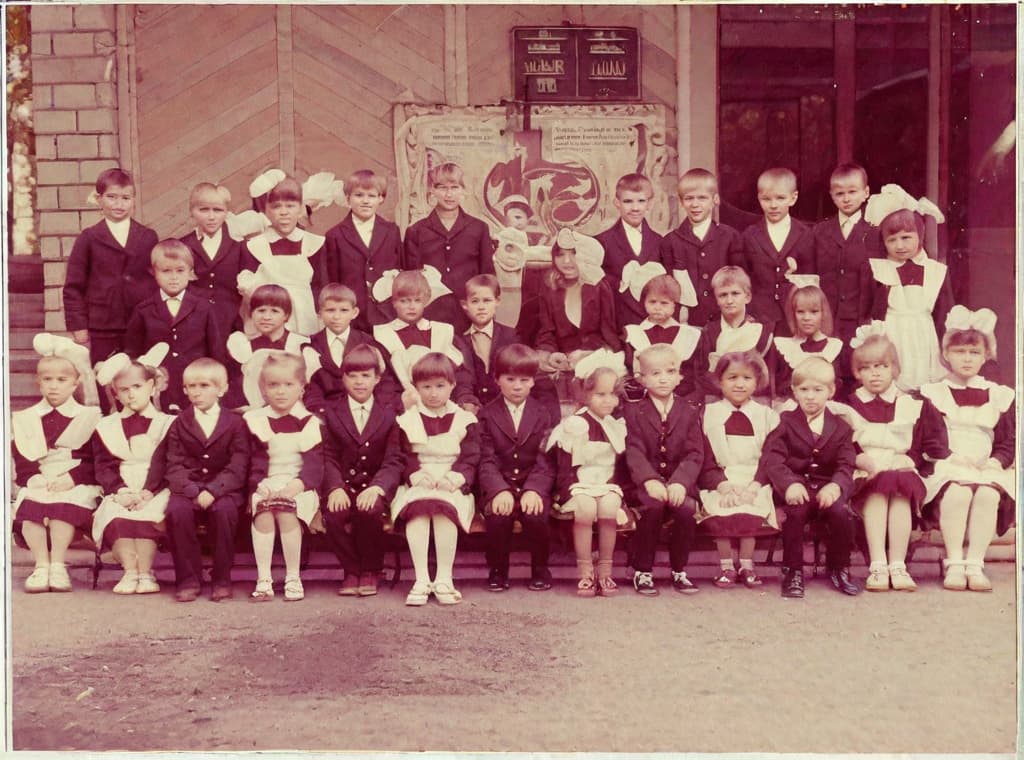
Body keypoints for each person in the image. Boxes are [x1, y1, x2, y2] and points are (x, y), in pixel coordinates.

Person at [844, 326, 948, 592]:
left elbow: (934, 442)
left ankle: (898, 565)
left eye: (881, 365)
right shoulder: (850, 404)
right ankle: (878, 564)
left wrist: (913, 460)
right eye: (866, 367)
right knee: (878, 491)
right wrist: (859, 459)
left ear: (894, 368)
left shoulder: (913, 404)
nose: (875, 373)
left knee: (899, 487)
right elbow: (843, 443)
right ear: (857, 372)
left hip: (902, 467)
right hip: (867, 471)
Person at [920, 307, 1014, 592]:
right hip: (948, 463)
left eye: (974, 352)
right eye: (960, 351)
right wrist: (954, 459)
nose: (967, 359)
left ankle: (975, 562)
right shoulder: (934, 393)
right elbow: (930, 440)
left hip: (986, 465)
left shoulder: (999, 394)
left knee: (987, 493)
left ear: (986, 355)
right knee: (958, 492)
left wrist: (996, 462)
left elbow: (1007, 441)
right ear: (947, 354)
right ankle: (954, 561)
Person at [761, 357, 860, 598]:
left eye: (818, 390)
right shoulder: (785, 423)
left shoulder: (841, 427)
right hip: (797, 488)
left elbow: (846, 463)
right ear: (794, 392)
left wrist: (836, 486)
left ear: (831, 391)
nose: (811, 396)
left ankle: (839, 568)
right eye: (803, 390)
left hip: (827, 488)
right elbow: (772, 459)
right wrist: (789, 484)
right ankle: (793, 571)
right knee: (795, 514)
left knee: (840, 513)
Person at [11, 335, 102, 593]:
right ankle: (41, 565)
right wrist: (32, 478)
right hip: (41, 477)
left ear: (76, 383)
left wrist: (72, 479)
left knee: (63, 508)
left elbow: (95, 459)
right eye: (47, 380)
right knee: (32, 506)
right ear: (38, 383)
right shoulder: (27, 418)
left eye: (62, 380)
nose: (54, 386)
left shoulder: (88, 417)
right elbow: (22, 455)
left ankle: (58, 564)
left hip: (75, 480)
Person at [63, 168, 159, 410]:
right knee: (105, 378)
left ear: (133, 200)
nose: (119, 204)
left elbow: (157, 277)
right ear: (99, 199)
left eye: (126, 198)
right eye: (112, 197)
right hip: (103, 323)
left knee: (139, 376)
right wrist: (79, 326)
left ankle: (142, 424)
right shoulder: (89, 238)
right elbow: (73, 286)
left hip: (139, 321)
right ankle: (110, 426)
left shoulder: (147, 236)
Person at [390, 353, 481, 606]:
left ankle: (444, 578)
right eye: (425, 387)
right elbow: (403, 455)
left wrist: (456, 477)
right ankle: (421, 579)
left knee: (443, 511)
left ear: (452, 385)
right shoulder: (407, 420)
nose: (433, 393)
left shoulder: (465, 419)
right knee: (419, 511)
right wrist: (415, 475)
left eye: (440, 386)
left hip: (452, 482)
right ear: (416, 388)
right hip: (419, 481)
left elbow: (472, 456)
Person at [321, 344, 405, 597]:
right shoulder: (331, 412)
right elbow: (328, 455)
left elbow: (394, 459)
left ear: (377, 378)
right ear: (343, 378)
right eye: (352, 376)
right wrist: (335, 487)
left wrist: (378, 487)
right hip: (344, 484)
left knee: (370, 510)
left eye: (366, 376)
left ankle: (371, 568)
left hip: (375, 483)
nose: (359, 382)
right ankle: (351, 569)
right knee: (334, 514)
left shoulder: (390, 413)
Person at [163, 358, 250, 602]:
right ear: (183, 389)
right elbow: (174, 464)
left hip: (223, 489)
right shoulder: (179, 422)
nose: (197, 392)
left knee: (225, 512)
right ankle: (189, 578)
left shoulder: (235, 422)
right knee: (177, 512)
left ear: (221, 389)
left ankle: (222, 577)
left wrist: (214, 489)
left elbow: (238, 463)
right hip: (188, 488)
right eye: (191, 386)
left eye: (204, 386)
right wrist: (191, 490)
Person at [91, 352, 175, 594]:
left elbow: (168, 462)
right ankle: (131, 571)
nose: (131, 394)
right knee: (117, 514)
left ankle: (146, 571)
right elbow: (104, 465)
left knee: (150, 514)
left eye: (137, 386)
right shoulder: (107, 426)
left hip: (156, 487)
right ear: (115, 393)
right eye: (123, 389)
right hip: (123, 486)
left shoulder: (167, 423)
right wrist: (121, 491)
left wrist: (149, 491)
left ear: (152, 386)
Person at [547, 351, 630, 597]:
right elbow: (565, 467)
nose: (608, 401)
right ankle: (585, 572)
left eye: (613, 395)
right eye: (600, 395)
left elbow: (619, 467)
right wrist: (566, 493)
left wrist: (617, 490)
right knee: (585, 510)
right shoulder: (577, 424)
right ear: (585, 394)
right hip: (578, 484)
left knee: (608, 509)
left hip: (606, 484)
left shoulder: (615, 425)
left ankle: (605, 572)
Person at [623, 344, 703, 596]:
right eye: (655, 373)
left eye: (670, 371)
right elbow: (633, 451)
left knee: (686, 509)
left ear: (680, 376)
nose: (664, 378)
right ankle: (642, 570)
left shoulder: (689, 411)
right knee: (652, 507)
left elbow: (694, 453)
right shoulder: (633, 412)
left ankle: (679, 569)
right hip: (646, 486)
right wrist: (649, 480)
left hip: (678, 484)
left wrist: (680, 482)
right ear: (642, 378)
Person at [477, 344, 557, 592]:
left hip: (532, 482)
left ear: (533, 382)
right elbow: (485, 459)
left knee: (536, 514)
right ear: (497, 380)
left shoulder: (543, 413)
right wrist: (499, 489)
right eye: (510, 379)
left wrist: (534, 489)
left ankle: (540, 568)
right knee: (499, 515)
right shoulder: (486, 414)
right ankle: (498, 569)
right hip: (500, 483)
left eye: (524, 380)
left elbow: (546, 459)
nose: (517, 386)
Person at [244, 352, 324, 602]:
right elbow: (254, 460)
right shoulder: (255, 420)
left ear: (301, 388)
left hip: (299, 486)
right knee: (265, 511)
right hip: (267, 483)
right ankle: (264, 577)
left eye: (288, 385)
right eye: (273, 385)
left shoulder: (310, 422)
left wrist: (294, 487)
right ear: (263, 389)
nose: (281, 391)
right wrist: (259, 485)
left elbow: (314, 464)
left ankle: (293, 576)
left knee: (287, 510)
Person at [697, 351, 780, 589]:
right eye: (732, 377)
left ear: (757, 382)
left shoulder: (767, 416)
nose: (739, 384)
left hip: (755, 480)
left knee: (747, 512)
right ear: (720, 381)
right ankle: (726, 566)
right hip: (720, 479)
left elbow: (771, 457)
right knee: (722, 510)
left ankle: (746, 564)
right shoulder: (707, 414)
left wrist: (754, 487)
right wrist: (723, 486)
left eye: (746, 378)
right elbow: (704, 456)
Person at [865, 185, 954, 391]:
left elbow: (943, 314)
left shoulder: (935, 271)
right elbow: (874, 310)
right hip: (893, 333)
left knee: (926, 381)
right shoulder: (880, 270)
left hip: (925, 333)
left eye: (906, 238)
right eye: (892, 240)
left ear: (920, 236)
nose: (900, 245)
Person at [124, 240, 226, 414]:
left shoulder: (204, 307)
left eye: (180, 271)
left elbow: (216, 352)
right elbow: (134, 353)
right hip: (158, 388)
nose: (174, 277)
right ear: (154, 273)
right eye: (166, 271)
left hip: (196, 386)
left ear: (190, 273)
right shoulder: (143, 310)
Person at [404, 162, 494, 330]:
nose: (449, 194)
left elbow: (487, 276)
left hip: (469, 312)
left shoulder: (479, 228)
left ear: (464, 190)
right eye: (442, 187)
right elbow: (411, 280)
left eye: (455, 187)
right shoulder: (416, 231)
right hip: (429, 314)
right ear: (432, 190)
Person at [238, 175, 327, 337]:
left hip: (305, 319)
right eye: (276, 207)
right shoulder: (254, 246)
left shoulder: (314, 244)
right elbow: (247, 285)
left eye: (290, 206)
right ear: (266, 210)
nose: (284, 212)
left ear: (300, 208)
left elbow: (320, 287)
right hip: (267, 320)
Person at [371, 269, 472, 412]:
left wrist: (465, 397)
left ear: (425, 301)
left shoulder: (441, 331)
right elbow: (384, 384)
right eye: (404, 301)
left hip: (445, 404)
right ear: (394, 302)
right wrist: (400, 403)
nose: (411, 306)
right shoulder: (383, 336)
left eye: (417, 300)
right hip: (406, 408)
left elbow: (460, 374)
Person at [811, 164, 879, 365]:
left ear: (866, 192)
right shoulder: (819, 232)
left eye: (852, 192)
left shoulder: (875, 232)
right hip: (827, 321)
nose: (846, 198)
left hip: (860, 321)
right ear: (832, 195)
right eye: (840, 193)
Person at [661, 167, 743, 328]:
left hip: (724, 322)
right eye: (689, 198)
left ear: (715, 200)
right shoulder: (670, 241)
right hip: (685, 324)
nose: (695, 204)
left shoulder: (730, 237)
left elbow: (739, 282)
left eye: (702, 198)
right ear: (681, 201)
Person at [736, 167, 814, 335]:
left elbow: (810, 277)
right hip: (759, 316)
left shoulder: (806, 234)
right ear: (759, 199)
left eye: (780, 198)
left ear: (793, 198)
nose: (773, 205)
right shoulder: (750, 235)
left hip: (796, 316)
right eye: (766, 199)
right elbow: (743, 278)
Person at [536, 228, 621, 382]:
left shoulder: (600, 286)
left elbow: (609, 334)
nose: (567, 261)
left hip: (596, 363)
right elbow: (546, 332)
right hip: (562, 367)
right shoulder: (549, 288)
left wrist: (587, 353)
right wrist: (551, 354)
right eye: (560, 254)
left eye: (574, 253)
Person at [323, 169, 404, 332]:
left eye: (372, 196)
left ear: (381, 198)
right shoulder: (335, 235)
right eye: (359, 195)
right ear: (347, 198)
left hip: (387, 313)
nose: (365, 201)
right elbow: (331, 280)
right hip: (351, 314)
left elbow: (401, 269)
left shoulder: (391, 231)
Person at [595, 172, 665, 331]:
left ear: (650, 203)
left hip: (654, 325)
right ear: (617, 203)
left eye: (641, 201)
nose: (635, 208)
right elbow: (597, 284)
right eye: (627, 201)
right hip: (617, 326)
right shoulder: (602, 241)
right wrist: (619, 282)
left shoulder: (660, 242)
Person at [692, 266, 773, 402]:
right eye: (723, 295)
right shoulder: (709, 333)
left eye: (735, 293)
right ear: (717, 299)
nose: (729, 301)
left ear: (747, 297)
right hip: (717, 398)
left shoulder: (761, 332)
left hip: (754, 399)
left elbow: (768, 377)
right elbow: (701, 375)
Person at [179, 182, 247, 338]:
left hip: (229, 323)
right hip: (193, 323)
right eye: (203, 210)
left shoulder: (239, 245)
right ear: (192, 212)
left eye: (218, 210)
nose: (211, 217)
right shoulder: (183, 245)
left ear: (226, 212)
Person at [225, 284, 310, 410]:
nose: (266, 317)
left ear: (286, 315)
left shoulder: (300, 344)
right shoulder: (245, 348)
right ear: (251, 314)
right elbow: (239, 389)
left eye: (274, 311)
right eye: (261, 310)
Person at [622, 273, 701, 401]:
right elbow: (632, 371)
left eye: (664, 303)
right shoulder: (633, 333)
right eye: (652, 302)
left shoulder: (688, 335)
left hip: (681, 398)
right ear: (645, 302)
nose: (657, 307)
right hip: (644, 398)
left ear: (674, 305)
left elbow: (691, 375)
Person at [303, 283, 376, 417]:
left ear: (354, 313)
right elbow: (311, 387)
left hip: (363, 409)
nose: (336, 317)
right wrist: (324, 412)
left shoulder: (367, 342)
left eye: (343, 310)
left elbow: (381, 381)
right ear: (320, 313)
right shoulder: (311, 344)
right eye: (330, 310)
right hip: (325, 411)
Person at [455, 274, 521, 413]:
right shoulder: (459, 341)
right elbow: (462, 378)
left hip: (505, 407)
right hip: (474, 408)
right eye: (475, 301)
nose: (481, 307)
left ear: (497, 301)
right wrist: (467, 400)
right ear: (464, 305)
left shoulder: (510, 336)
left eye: (487, 301)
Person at [772, 285, 843, 402]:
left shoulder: (835, 347)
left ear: (823, 313)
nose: (806, 318)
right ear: (793, 314)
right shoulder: (783, 347)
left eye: (814, 312)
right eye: (800, 312)